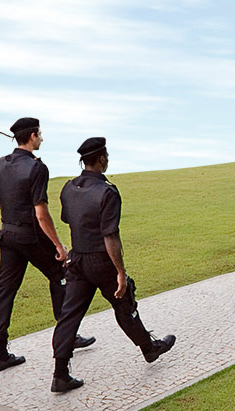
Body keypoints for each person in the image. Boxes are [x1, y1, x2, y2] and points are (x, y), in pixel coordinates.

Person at [49, 137, 176, 392]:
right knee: (124, 302)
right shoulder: (108, 192)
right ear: (102, 159)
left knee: (68, 315)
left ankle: (60, 374)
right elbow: (110, 236)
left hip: (77, 260)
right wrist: (120, 271)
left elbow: (67, 219)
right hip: (101, 260)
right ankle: (149, 349)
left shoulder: (68, 188)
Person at [0, 117, 95, 372]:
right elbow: (40, 212)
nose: (42, 138)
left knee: (5, 291)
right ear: (33, 136)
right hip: (31, 236)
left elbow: (2, 200)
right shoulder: (37, 168)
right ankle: (67, 338)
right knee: (61, 273)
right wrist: (58, 245)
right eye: (40, 134)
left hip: (7, 234)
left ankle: (0, 354)